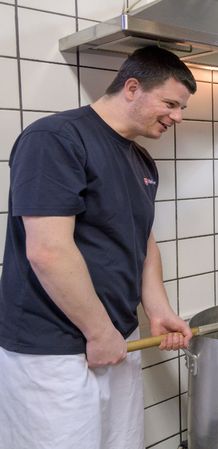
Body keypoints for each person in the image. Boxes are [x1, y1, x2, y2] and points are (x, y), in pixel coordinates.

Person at [0, 46, 196, 449]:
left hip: (116, 340)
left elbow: (142, 240)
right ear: (132, 87)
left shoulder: (140, 159)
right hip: (55, 352)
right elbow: (48, 250)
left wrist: (158, 312)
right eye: (171, 103)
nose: (178, 116)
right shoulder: (54, 139)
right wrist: (98, 330)